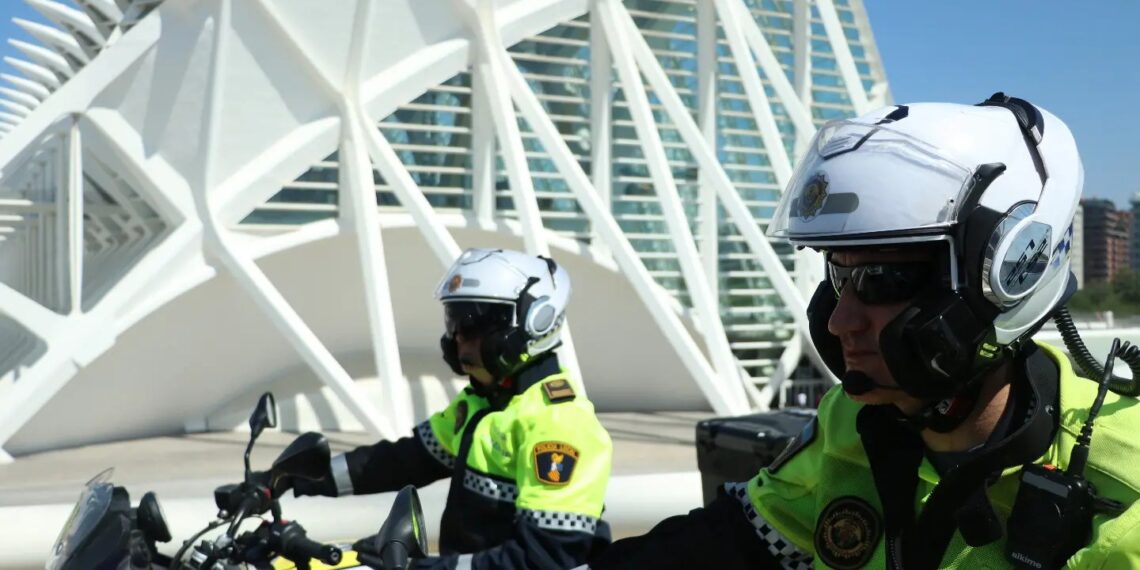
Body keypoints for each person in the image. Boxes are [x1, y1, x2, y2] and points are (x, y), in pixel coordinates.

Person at [587, 94, 1140, 569]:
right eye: (839, 275)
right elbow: (738, 540)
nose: (838, 321)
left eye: (885, 278)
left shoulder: (1126, 491)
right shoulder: (855, 419)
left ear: (1009, 270)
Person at [289, 248, 613, 569]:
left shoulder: (559, 426)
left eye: (471, 325)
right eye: (453, 323)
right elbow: (406, 460)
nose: (457, 340)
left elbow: (546, 558)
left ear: (535, 323)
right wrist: (293, 479)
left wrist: (428, 568)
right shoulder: (482, 403)